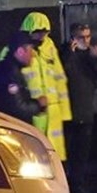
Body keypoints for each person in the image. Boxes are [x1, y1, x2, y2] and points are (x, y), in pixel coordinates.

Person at [59, 23, 97, 193]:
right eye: (82, 37)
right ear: (73, 38)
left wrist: (96, 59)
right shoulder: (65, 54)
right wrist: (70, 55)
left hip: (85, 111)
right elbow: (61, 75)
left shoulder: (90, 55)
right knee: (66, 152)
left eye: (88, 36)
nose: (86, 40)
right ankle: (65, 186)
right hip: (67, 112)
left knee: (81, 153)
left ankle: (78, 185)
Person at [14, 11, 72, 160]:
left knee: (54, 157)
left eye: (45, 32)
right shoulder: (18, 49)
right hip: (32, 111)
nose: (42, 35)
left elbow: (60, 79)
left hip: (53, 112)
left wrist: (65, 112)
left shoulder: (50, 48)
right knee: (33, 156)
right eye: (38, 32)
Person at [0, 31, 47, 123]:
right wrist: (38, 105)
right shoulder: (9, 73)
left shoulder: (10, 69)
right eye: (31, 50)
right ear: (20, 52)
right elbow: (16, 108)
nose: (33, 54)